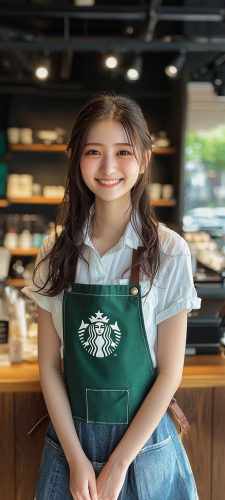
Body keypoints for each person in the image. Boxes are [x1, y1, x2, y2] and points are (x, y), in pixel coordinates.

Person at [22, 93, 201, 500]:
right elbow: (49, 366)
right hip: (72, 445)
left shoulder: (170, 251)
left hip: (145, 446)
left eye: (123, 151)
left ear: (144, 159)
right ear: (75, 158)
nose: (108, 168)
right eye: (93, 152)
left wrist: (120, 461)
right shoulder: (55, 251)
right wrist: (75, 456)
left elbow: (170, 372)